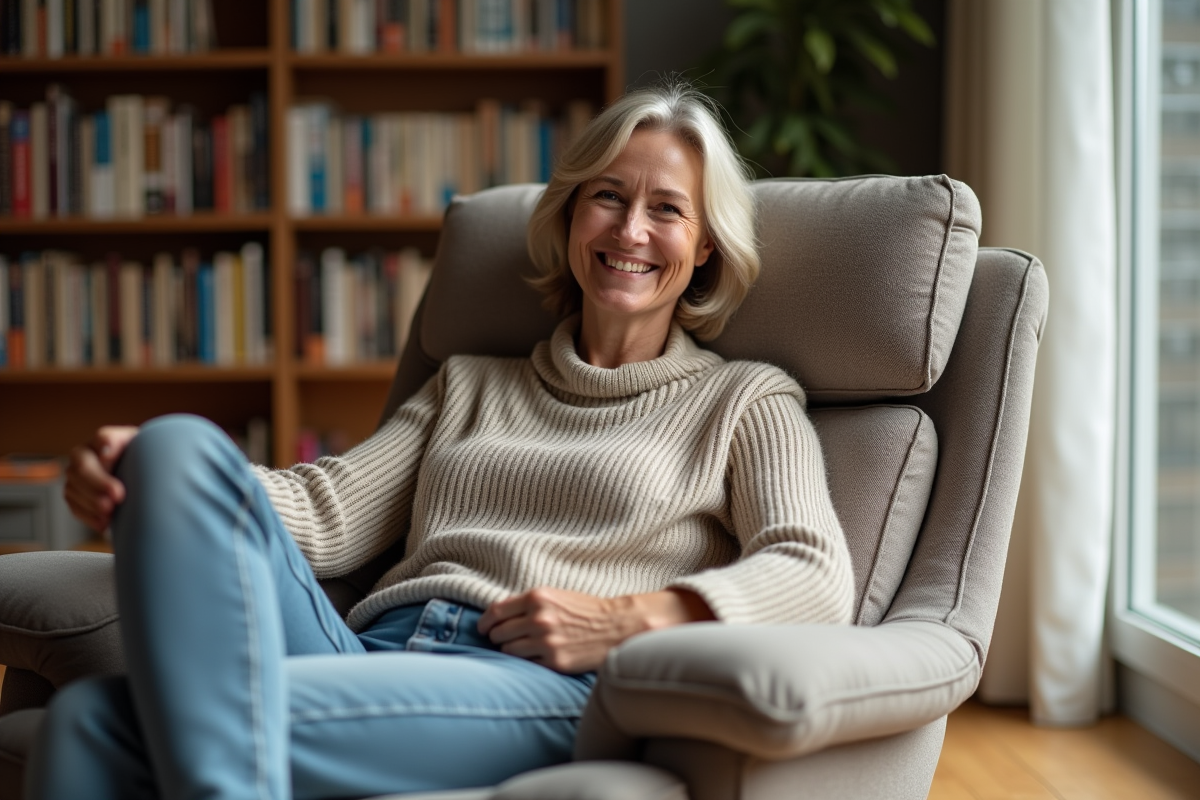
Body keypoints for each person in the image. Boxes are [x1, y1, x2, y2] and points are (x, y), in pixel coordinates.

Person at [30, 81, 855, 800]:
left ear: (705, 245)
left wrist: (628, 619)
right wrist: (149, 471)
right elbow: (328, 510)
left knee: (103, 727)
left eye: (667, 209)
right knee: (172, 448)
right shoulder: (470, 381)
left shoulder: (742, 400)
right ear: (571, 215)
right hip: (363, 648)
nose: (631, 229)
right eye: (608, 196)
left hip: (534, 681)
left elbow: (814, 574)